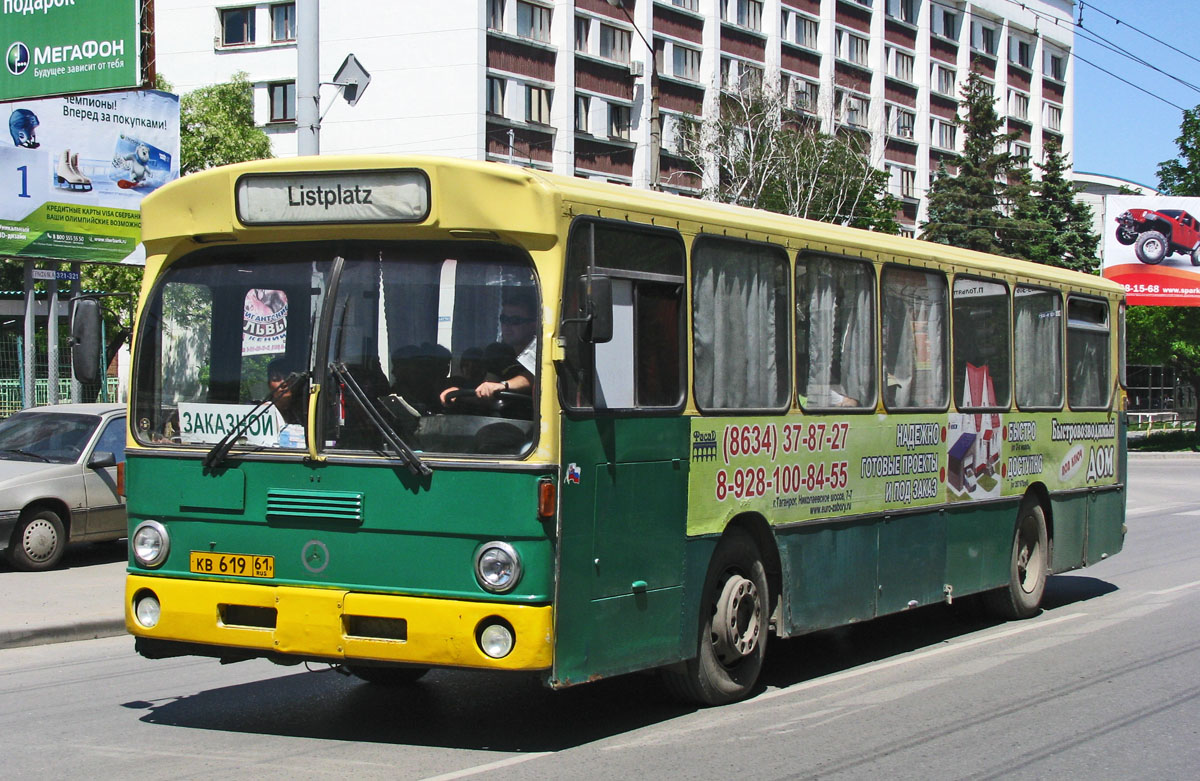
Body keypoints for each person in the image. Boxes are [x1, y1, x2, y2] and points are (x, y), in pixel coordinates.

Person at [439, 289, 537, 404]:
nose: (507, 325)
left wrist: (503, 386)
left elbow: (538, 374)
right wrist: (458, 391)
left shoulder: (542, 351)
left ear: (534, 324)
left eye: (515, 320)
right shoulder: (499, 353)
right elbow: (487, 388)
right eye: (504, 319)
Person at [267, 358, 307, 425]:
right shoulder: (263, 412)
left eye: (287, 377)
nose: (284, 383)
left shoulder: (307, 409)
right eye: (276, 379)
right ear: (269, 385)